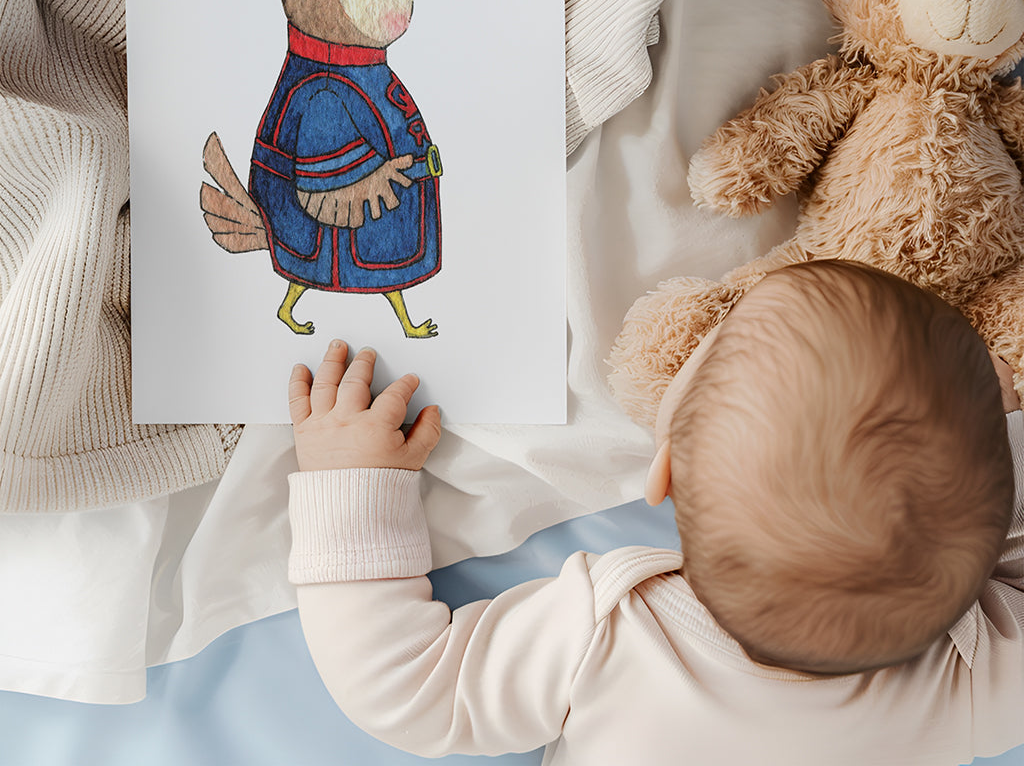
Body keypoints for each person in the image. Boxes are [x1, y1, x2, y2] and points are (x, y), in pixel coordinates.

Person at [286, 260, 1024, 765]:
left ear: (662, 469)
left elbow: (404, 687)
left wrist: (350, 478)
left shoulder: (607, 635)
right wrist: (998, 434)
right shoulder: (973, 674)